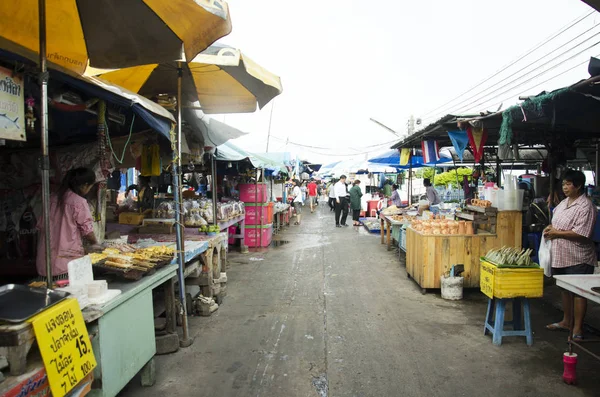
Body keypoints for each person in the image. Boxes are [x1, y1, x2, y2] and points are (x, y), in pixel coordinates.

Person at [544, 170, 597, 341]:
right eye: (564, 184)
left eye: (568, 184)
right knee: (565, 290)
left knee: (579, 292)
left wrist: (557, 233)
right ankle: (567, 321)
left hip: (578, 256)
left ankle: (577, 328)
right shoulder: (564, 203)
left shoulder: (585, 206)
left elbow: (583, 234)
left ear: (579, 186)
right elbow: (556, 222)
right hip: (561, 255)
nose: (565, 187)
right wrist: (549, 228)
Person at [36, 167, 101, 278]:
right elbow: (88, 231)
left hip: (44, 262)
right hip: (66, 264)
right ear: (85, 185)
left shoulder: (51, 198)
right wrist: (96, 244)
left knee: (49, 292)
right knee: (67, 294)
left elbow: (40, 227)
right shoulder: (78, 202)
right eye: (90, 187)